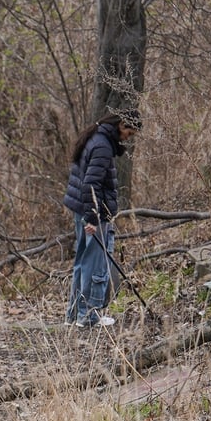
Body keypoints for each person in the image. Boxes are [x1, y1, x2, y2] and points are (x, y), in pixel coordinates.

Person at [62, 112, 140, 328]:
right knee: (93, 264)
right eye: (128, 132)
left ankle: (74, 314)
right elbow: (91, 184)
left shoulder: (96, 137)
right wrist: (93, 219)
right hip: (93, 214)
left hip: (82, 209)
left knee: (81, 262)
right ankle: (87, 316)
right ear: (121, 125)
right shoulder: (103, 146)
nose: (128, 138)